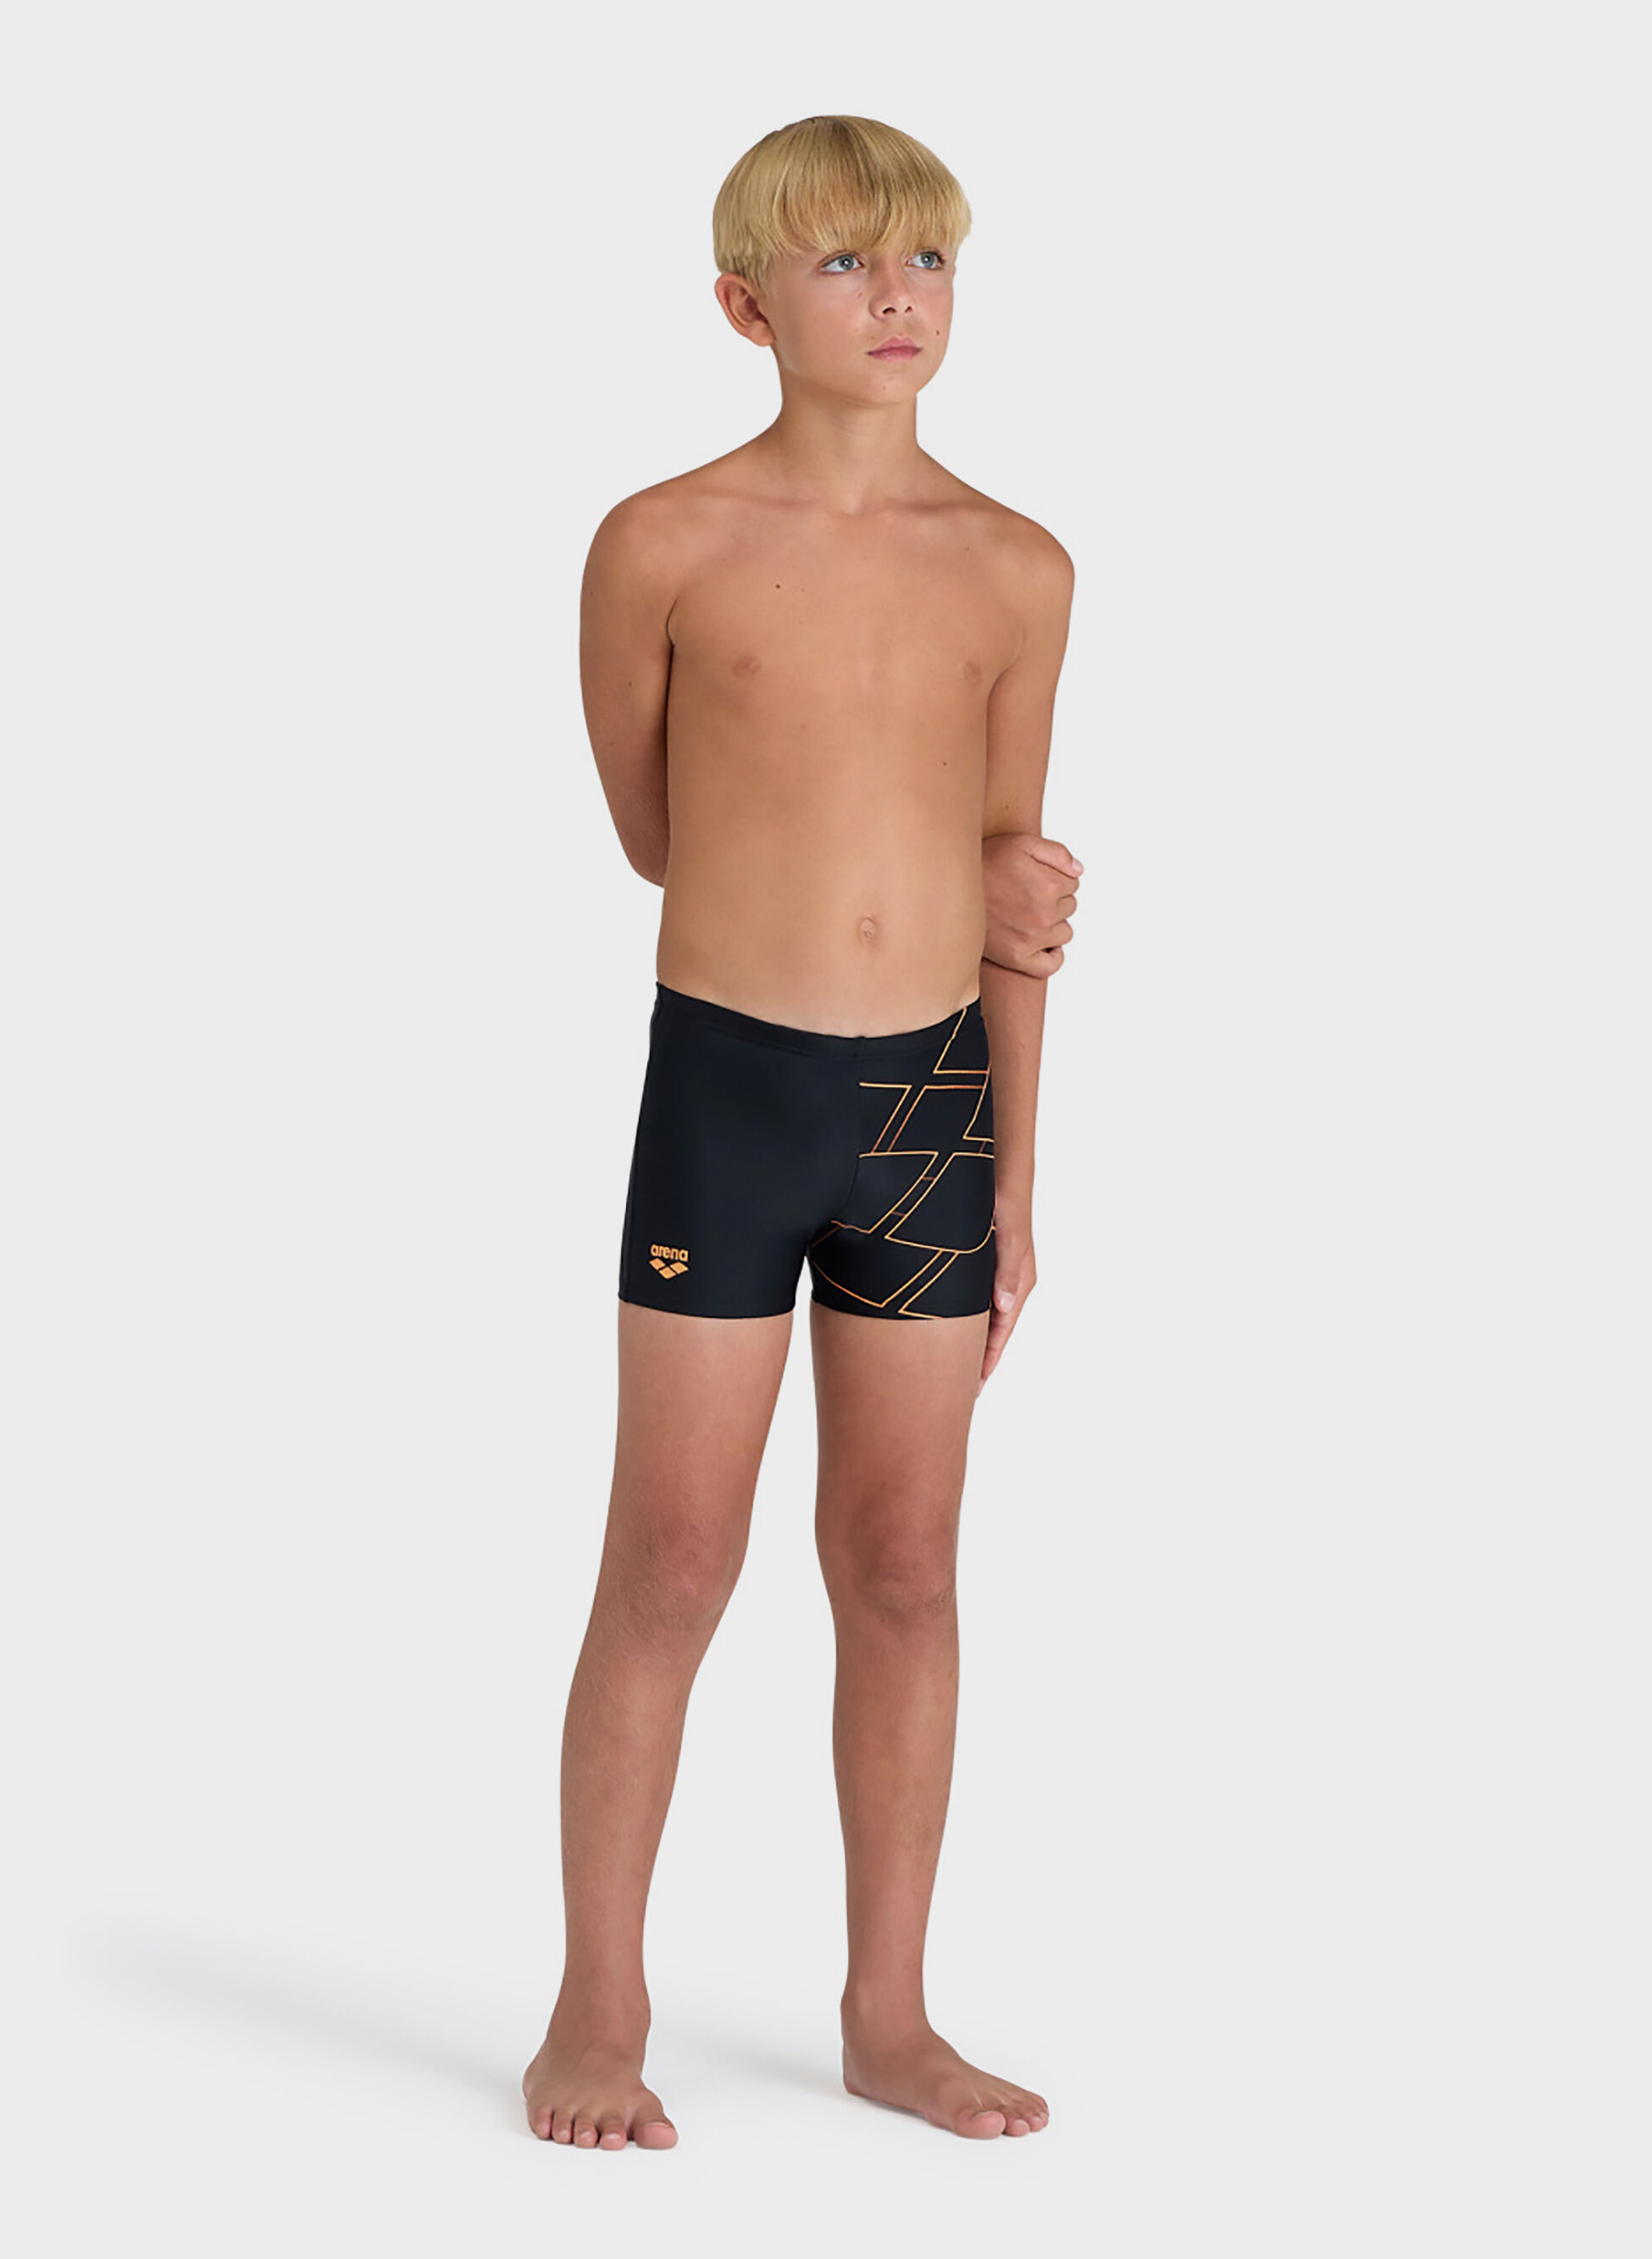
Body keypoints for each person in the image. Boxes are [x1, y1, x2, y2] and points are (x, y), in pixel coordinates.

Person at [524, 114, 1080, 2150]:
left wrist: (1018, 1175)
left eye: (926, 259)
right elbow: (659, 831)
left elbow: (1016, 890)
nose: (898, 298)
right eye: (845, 263)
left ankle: (889, 2015)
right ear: (746, 305)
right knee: (672, 1559)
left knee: (906, 1567)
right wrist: (896, 850)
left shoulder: (1018, 566)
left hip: (929, 1110)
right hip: (731, 1092)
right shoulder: (660, 544)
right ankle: (597, 2007)